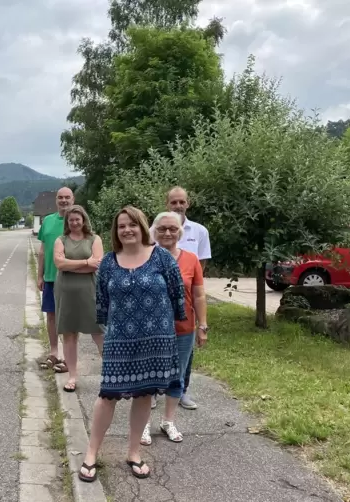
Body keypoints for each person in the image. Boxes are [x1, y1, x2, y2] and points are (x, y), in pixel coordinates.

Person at [79, 206, 186, 483]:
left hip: (156, 339)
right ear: (116, 231)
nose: (127, 230)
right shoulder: (109, 263)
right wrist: (105, 325)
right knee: (107, 395)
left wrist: (172, 325)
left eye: (132, 225)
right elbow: (102, 299)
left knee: (144, 395)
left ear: (142, 227)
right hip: (119, 339)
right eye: (121, 226)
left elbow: (177, 294)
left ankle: (134, 452)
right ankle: (91, 454)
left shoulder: (162, 258)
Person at [141, 212, 208, 445]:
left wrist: (203, 325)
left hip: (184, 328)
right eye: (162, 229)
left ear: (180, 232)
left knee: (176, 376)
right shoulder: (145, 257)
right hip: (151, 329)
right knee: (148, 375)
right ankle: (143, 424)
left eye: (172, 229)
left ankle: (168, 421)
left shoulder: (191, 260)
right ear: (154, 231)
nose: (167, 233)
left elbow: (199, 295)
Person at [150, 186, 211, 411]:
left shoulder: (199, 232)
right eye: (173, 202)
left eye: (181, 202)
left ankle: (181, 391)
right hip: (154, 318)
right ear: (167, 203)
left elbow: (198, 281)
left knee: (183, 359)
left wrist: (202, 323)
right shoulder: (153, 231)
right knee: (155, 356)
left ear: (188, 203)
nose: (178, 205)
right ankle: (154, 391)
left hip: (185, 313)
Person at [53, 205, 104, 392]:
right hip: (66, 293)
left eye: (77, 219)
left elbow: (97, 264)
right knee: (69, 334)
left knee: (99, 332)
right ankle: (72, 377)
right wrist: (85, 262)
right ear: (67, 222)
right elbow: (59, 263)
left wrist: (72, 265)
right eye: (71, 220)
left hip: (90, 291)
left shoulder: (94, 239)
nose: (74, 223)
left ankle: (111, 374)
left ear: (84, 220)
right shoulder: (61, 240)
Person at [37, 187, 74, 373]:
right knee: (51, 316)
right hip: (51, 277)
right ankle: (54, 352)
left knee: (67, 319)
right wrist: (39, 275)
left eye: (67, 197)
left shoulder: (77, 221)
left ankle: (69, 359)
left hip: (70, 278)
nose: (64, 201)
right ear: (56, 200)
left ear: (73, 199)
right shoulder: (48, 221)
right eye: (60, 197)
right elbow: (43, 251)